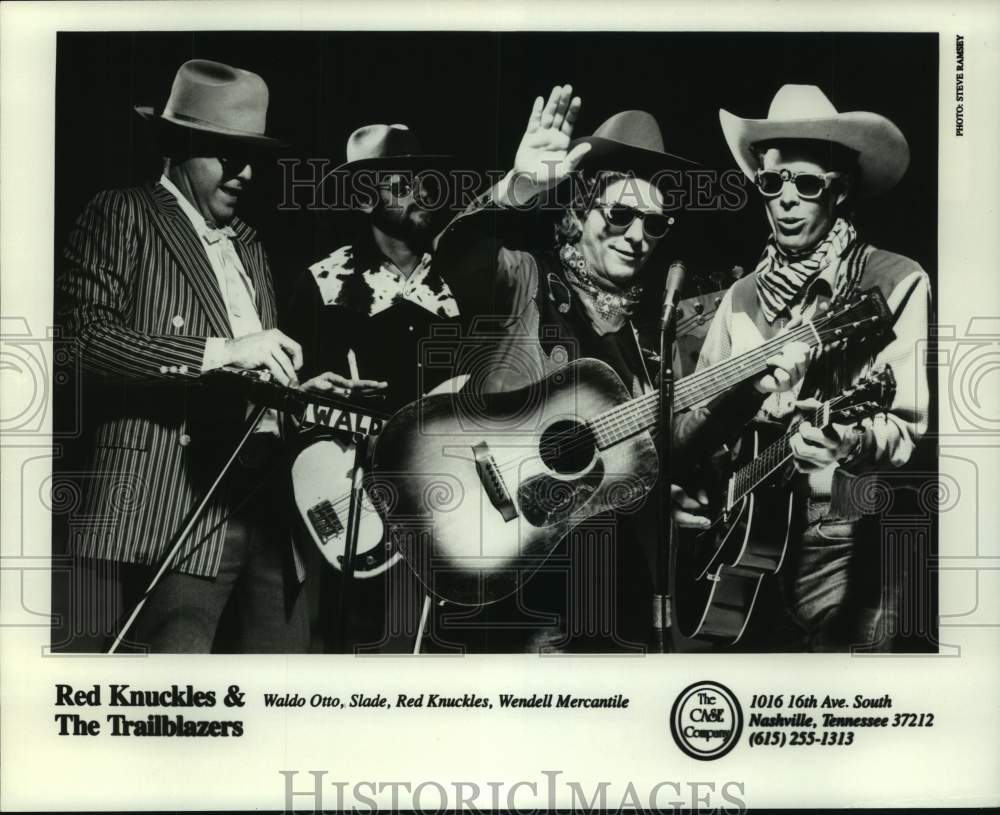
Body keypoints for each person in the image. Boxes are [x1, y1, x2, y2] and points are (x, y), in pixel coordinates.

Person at [430, 85, 810, 651]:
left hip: (619, 586)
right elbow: (456, 254)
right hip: (527, 579)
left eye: (654, 225)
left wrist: (749, 390)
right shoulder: (525, 282)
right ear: (578, 212)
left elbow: (669, 447)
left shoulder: (648, 334)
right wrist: (518, 188)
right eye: (622, 214)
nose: (638, 236)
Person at [57, 59, 310, 653]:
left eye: (255, 158)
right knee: (175, 686)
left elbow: (258, 366)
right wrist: (222, 351)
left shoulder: (249, 242)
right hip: (178, 500)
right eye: (229, 155)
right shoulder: (122, 214)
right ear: (178, 146)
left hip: (271, 510)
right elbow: (80, 340)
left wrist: (302, 392)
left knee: (287, 697)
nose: (247, 173)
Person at [678, 84, 930, 651]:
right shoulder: (739, 297)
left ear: (839, 193)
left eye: (808, 184)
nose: (787, 200)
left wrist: (847, 440)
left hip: (841, 535)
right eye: (773, 183)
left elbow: (907, 426)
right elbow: (700, 425)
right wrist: (701, 491)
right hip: (741, 539)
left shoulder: (894, 281)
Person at [285, 124, 461, 651]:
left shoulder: (461, 282)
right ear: (365, 197)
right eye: (400, 183)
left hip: (442, 515)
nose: (421, 192)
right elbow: (285, 406)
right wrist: (314, 403)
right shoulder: (321, 284)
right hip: (352, 516)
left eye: (425, 179)